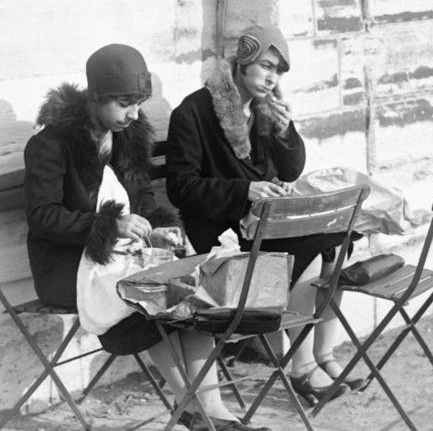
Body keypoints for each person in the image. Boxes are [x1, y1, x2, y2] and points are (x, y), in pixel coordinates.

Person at [24, 44, 270, 431]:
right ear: (96, 97)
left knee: (183, 284)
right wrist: (109, 224)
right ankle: (195, 411)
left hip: (121, 257)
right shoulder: (52, 145)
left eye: (138, 103)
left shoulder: (126, 137)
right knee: (151, 294)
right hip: (67, 265)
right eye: (124, 103)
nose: (134, 114)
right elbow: (42, 218)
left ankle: (213, 410)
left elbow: (141, 199)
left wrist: (154, 227)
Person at [166, 25, 363, 406]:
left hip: (261, 225)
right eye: (266, 66)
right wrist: (245, 190)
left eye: (279, 71)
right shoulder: (193, 112)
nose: (272, 78)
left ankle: (323, 356)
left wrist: (286, 133)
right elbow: (182, 188)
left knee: (336, 243)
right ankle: (302, 368)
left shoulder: (263, 107)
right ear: (242, 61)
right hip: (219, 232)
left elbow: (289, 171)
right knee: (308, 251)